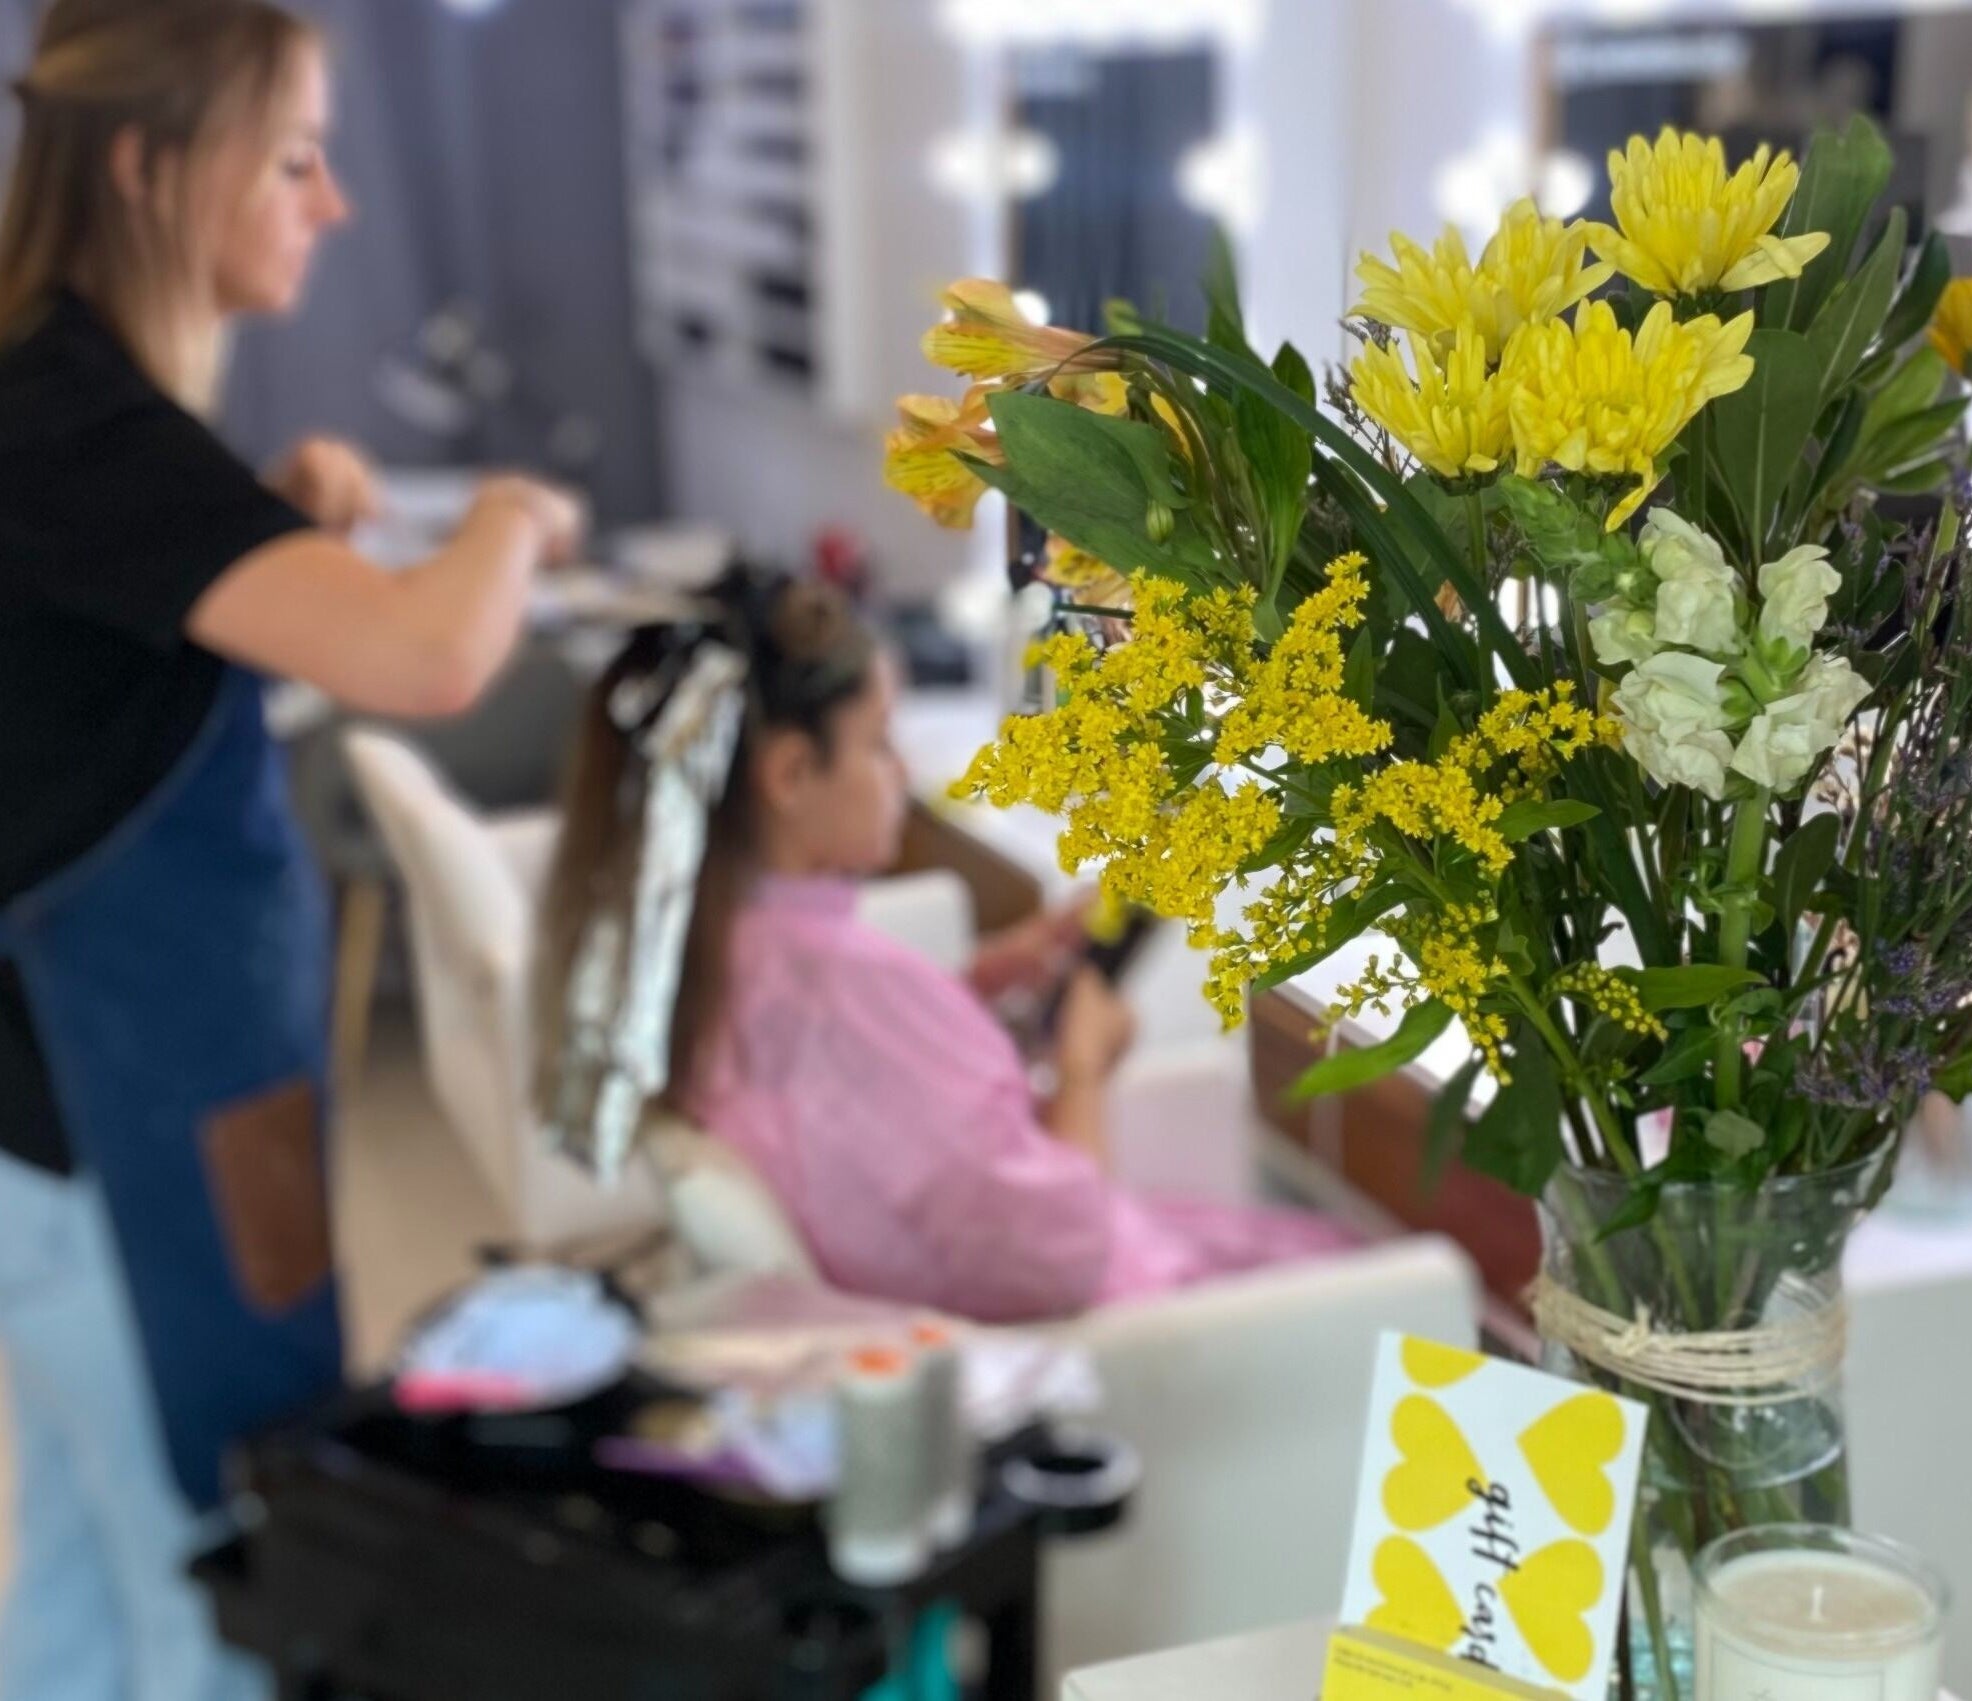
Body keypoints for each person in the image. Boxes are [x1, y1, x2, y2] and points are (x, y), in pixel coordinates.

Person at [0, 3, 581, 1695]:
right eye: (294, 156)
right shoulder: (77, 423)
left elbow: (105, 668)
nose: (326, 202)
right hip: (114, 1133)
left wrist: (279, 515)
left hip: (108, 1115)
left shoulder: (83, 416)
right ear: (151, 167)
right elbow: (434, 659)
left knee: (94, 1574)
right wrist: (507, 517)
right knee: (225, 1572)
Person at [540, 576, 1356, 1325]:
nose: (902, 769)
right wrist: (1080, 1070)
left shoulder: (690, 949)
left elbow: (850, 1101)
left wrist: (969, 990)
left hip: (950, 1301)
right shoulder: (848, 992)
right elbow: (1070, 1258)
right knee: (1394, 1280)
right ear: (789, 773)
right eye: (880, 742)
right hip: (1120, 1347)